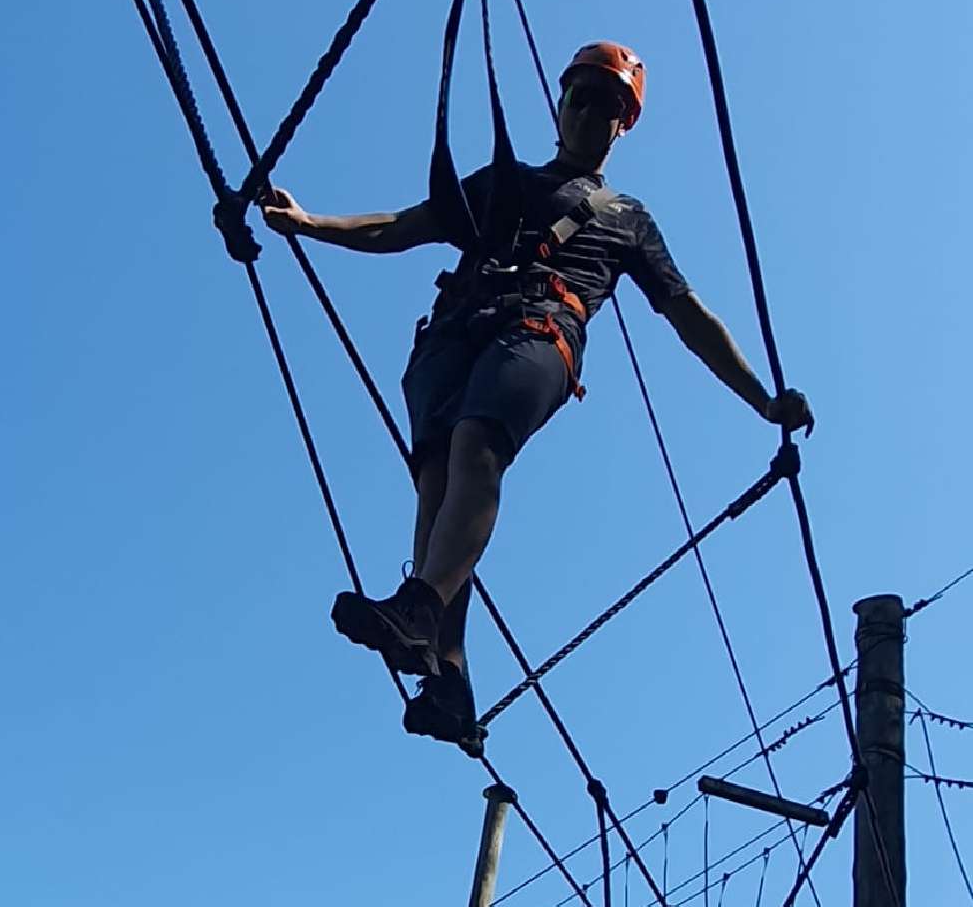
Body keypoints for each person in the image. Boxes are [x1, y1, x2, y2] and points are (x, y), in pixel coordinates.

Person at [257, 41, 813, 749]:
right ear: (561, 102)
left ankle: (422, 608)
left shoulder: (626, 218)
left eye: (608, 103)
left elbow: (688, 315)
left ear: (624, 124)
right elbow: (408, 226)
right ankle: (448, 675)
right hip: (455, 334)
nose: (589, 110)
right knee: (436, 482)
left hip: (541, 331)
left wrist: (763, 399)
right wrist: (310, 223)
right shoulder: (503, 182)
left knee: (476, 448)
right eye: (580, 94)